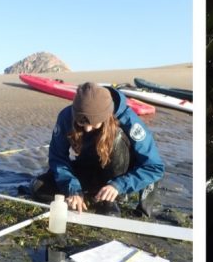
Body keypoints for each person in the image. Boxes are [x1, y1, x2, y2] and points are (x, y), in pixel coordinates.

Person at [30, 82, 163, 216]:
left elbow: (154, 167)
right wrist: (73, 189)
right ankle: (90, 194)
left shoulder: (130, 122)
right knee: (39, 187)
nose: (87, 129)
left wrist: (119, 185)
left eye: (93, 123)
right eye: (81, 123)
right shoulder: (66, 117)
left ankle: (112, 198)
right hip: (89, 167)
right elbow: (58, 158)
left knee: (116, 138)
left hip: (120, 173)